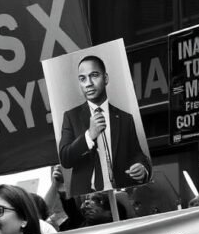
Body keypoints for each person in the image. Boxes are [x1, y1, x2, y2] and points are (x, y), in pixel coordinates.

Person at [57, 55, 151, 196]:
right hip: (86, 198)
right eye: (82, 79)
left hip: (120, 193)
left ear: (105, 78)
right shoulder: (71, 116)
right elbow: (65, 158)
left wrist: (142, 168)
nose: (88, 83)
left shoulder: (125, 118)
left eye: (94, 75)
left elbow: (137, 154)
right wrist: (89, 135)